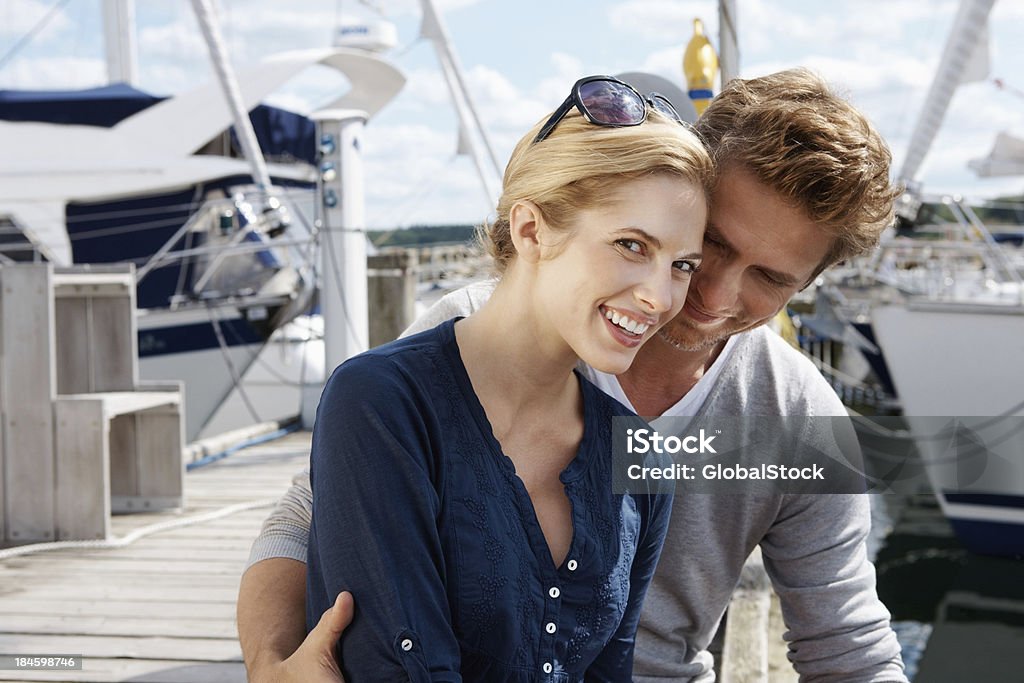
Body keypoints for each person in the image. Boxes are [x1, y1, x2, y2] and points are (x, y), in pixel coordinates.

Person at [238, 68, 909, 682]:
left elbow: (847, 643)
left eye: (768, 278)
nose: (712, 294)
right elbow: (307, 514)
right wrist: (270, 663)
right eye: (715, 246)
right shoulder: (471, 336)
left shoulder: (797, 424)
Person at [300, 75, 714, 682]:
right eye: (630, 244)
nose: (658, 296)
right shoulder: (383, 404)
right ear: (530, 230)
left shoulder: (642, 458)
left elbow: (611, 671)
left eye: (681, 265)